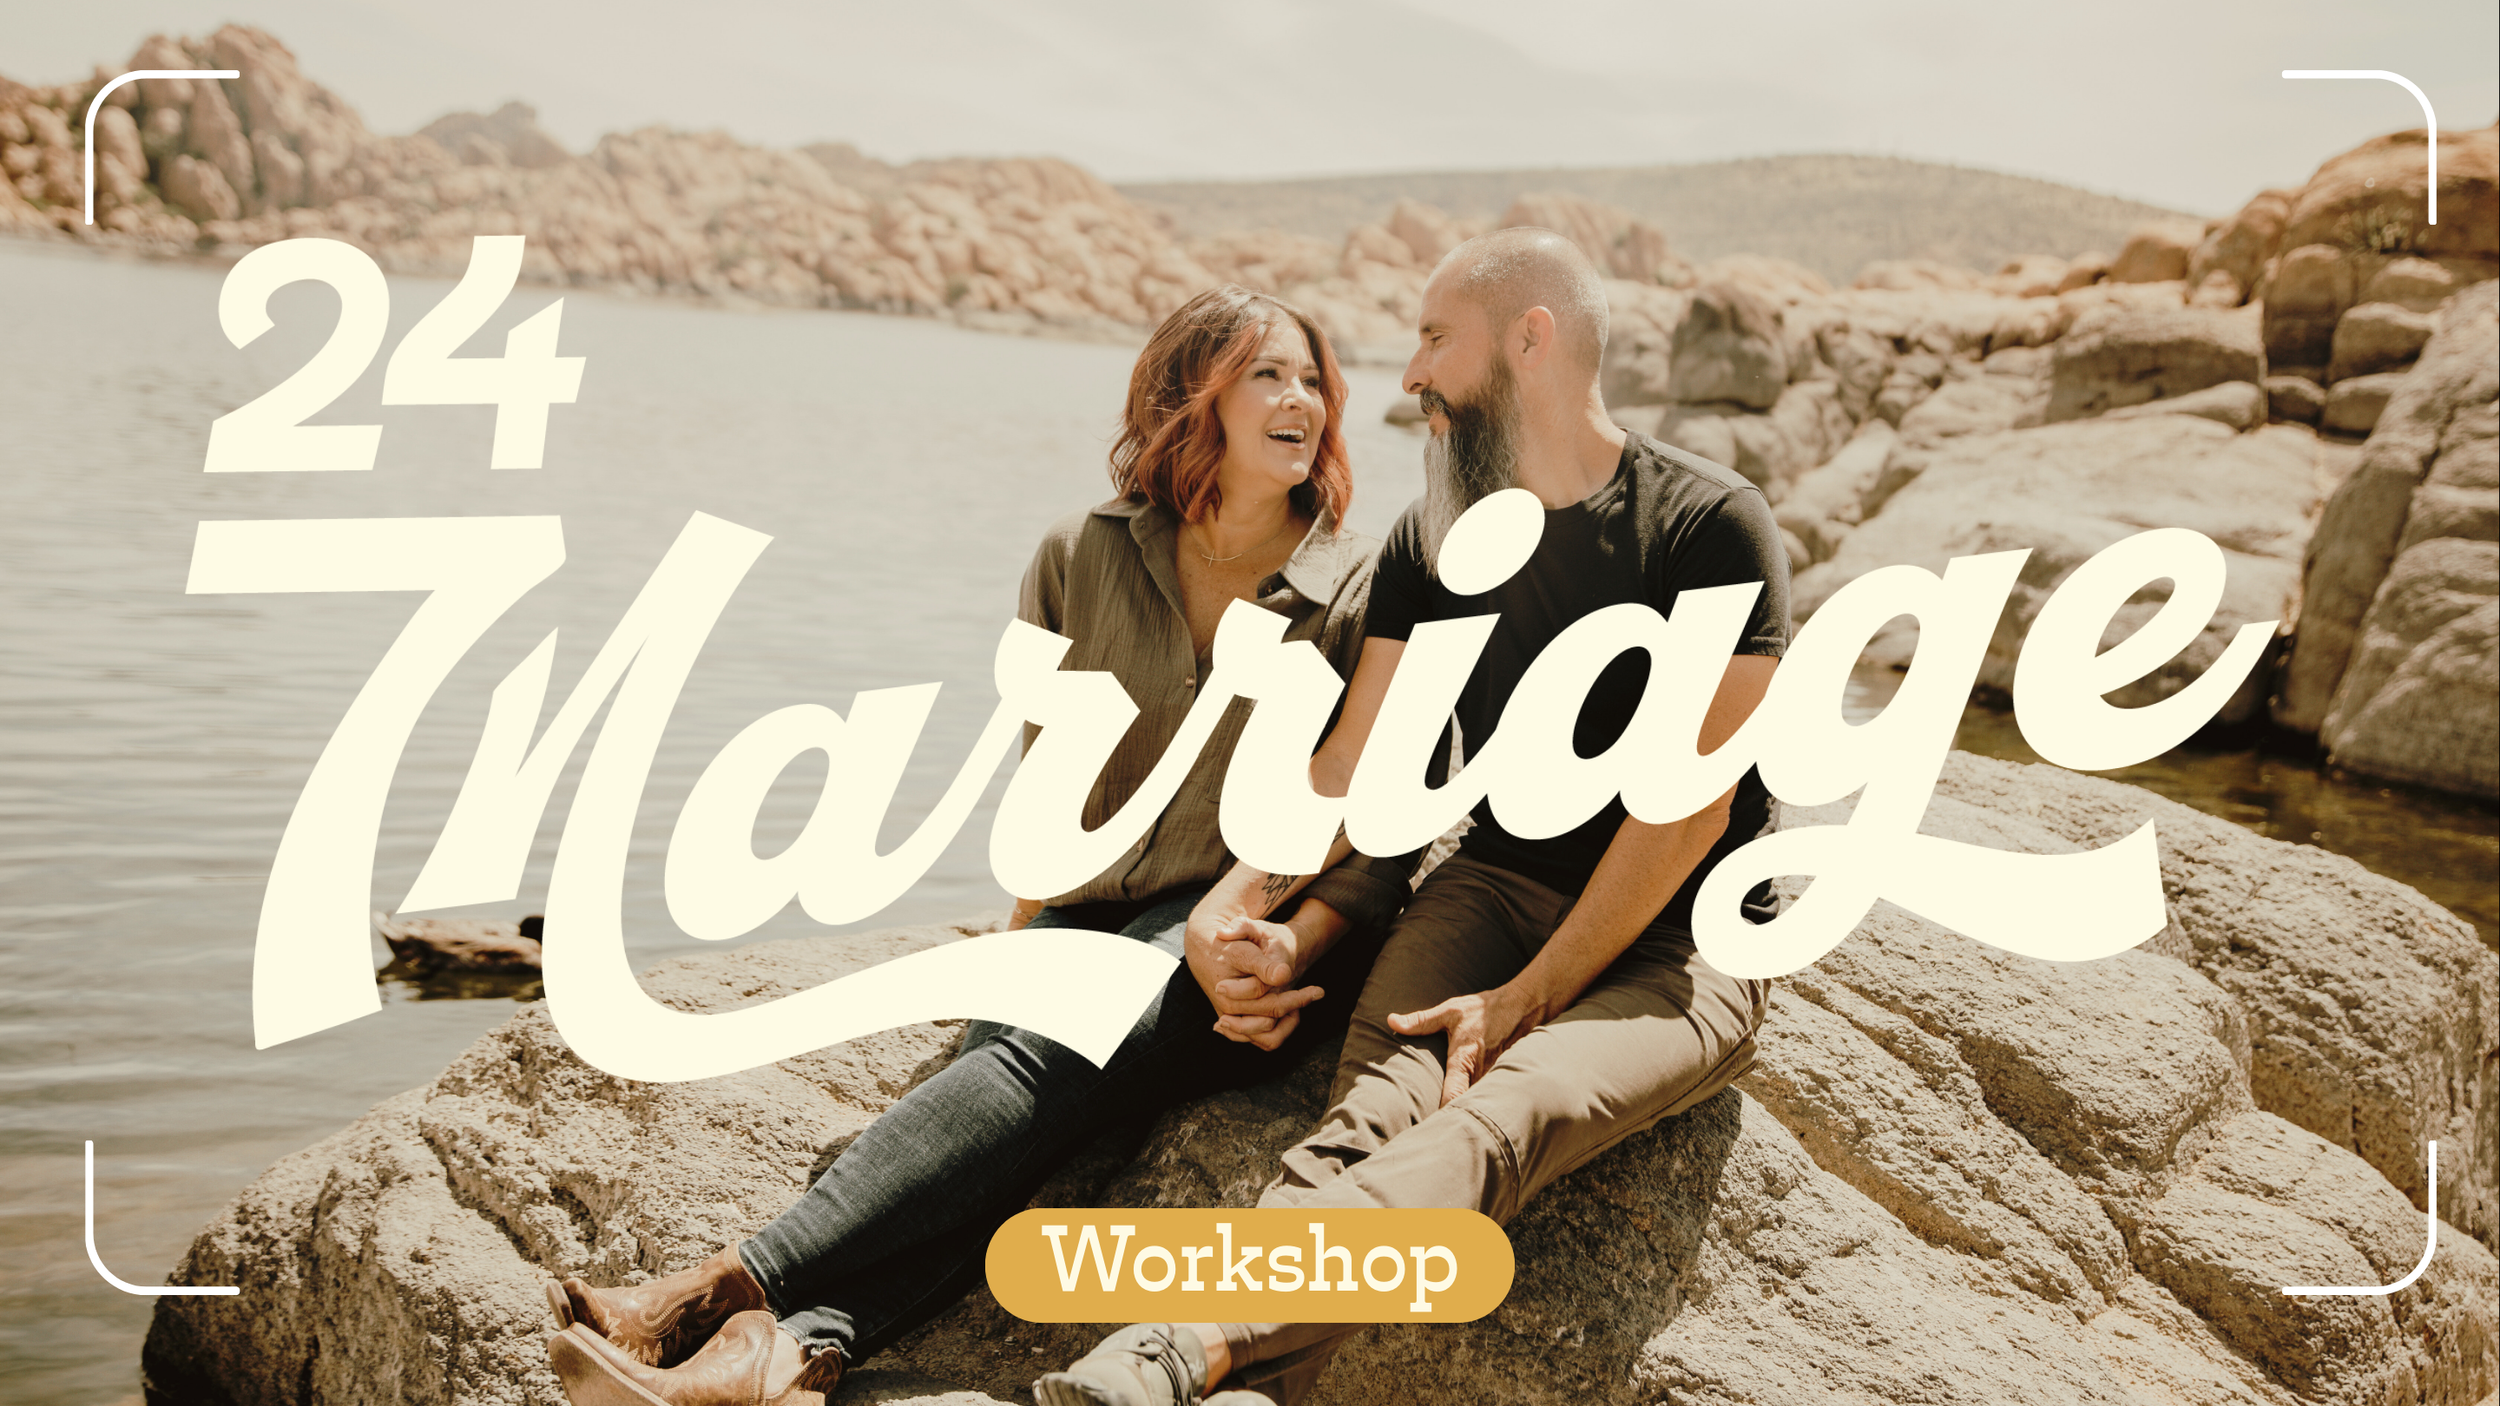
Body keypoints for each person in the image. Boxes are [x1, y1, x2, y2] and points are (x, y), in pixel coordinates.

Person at [543, 285, 1425, 1406]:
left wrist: (1292, 944)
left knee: (1045, 1048)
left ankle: (713, 1291)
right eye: (1269, 374)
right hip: (1097, 915)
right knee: (1009, 1096)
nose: (1302, 397)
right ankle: (790, 1346)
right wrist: (1003, 967)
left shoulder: (1365, 584)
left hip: (1258, 947)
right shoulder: (1080, 554)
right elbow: (1047, 786)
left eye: (1313, 378)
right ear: (1185, 398)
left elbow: (1381, 822)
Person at [1034, 228, 1789, 1406]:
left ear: (1529, 341)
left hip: (1681, 939)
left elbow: (1682, 812)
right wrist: (1230, 908)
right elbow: (1355, 760)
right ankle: (1226, 1379)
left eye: (1436, 338)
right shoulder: (1433, 535)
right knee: (1363, 1123)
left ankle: (1182, 1338)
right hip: (1491, 884)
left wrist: (1526, 998)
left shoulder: (1708, 525)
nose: (1408, 376)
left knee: (1506, 1103)